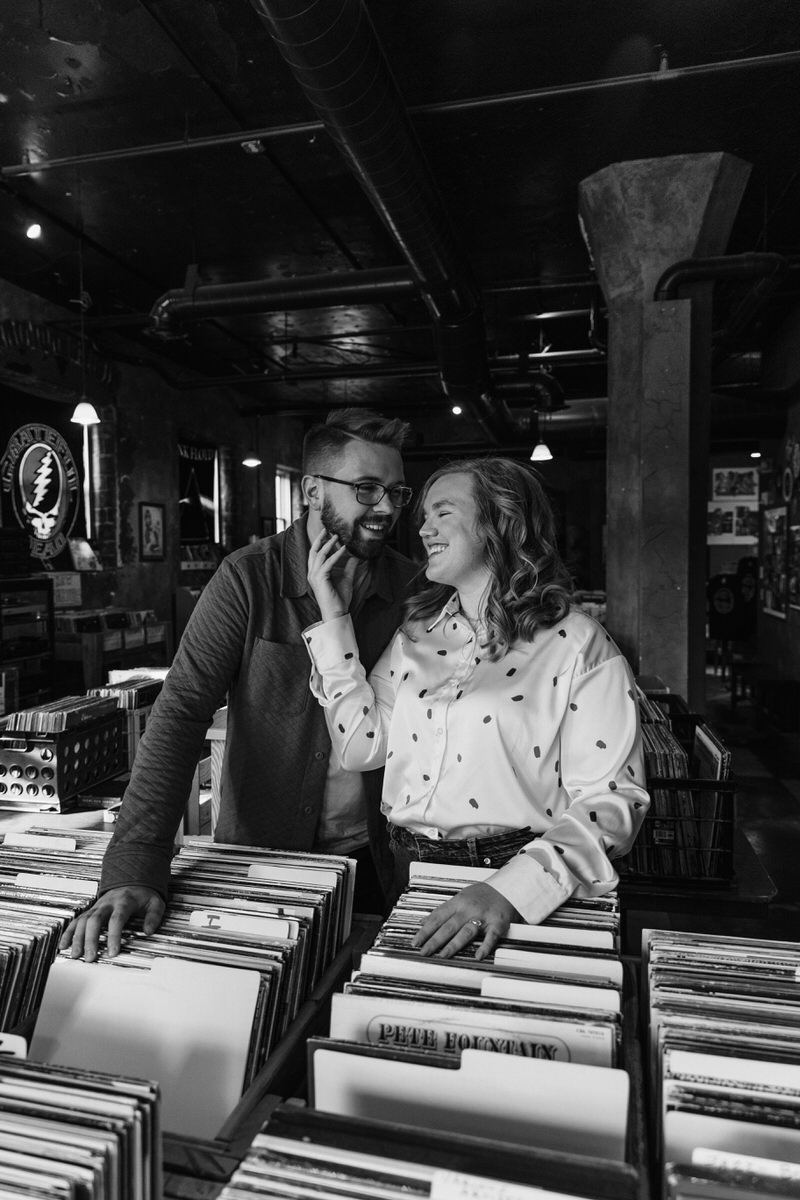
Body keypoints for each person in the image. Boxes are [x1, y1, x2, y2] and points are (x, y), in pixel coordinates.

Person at [62, 408, 417, 961]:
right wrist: (135, 863)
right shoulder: (248, 578)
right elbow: (180, 714)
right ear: (312, 490)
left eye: (397, 491)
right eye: (367, 489)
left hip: (382, 854)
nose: (388, 507)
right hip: (261, 853)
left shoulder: (413, 589)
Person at [304, 456, 650, 961]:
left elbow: (614, 800)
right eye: (423, 515)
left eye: (443, 513)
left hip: (519, 876)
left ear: (501, 522)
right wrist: (333, 618)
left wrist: (513, 889)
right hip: (410, 869)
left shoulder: (576, 643)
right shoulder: (416, 635)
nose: (423, 529)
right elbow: (361, 747)